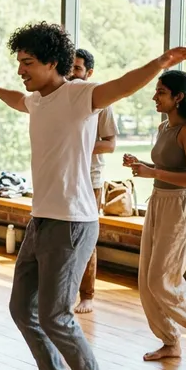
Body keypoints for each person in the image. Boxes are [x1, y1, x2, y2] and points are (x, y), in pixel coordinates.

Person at [0, 21, 186, 370]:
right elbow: (19, 99)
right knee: (22, 309)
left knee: (55, 314)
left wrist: (162, 61)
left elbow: (125, 84)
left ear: (53, 62)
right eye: (19, 62)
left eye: (28, 62)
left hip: (73, 224)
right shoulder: (38, 100)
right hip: (41, 220)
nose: (22, 69)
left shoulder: (80, 96)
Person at [123, 70, 186, 364]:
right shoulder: (165, 127)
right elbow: (166, 165)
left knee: (163, 280)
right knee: (146, 279)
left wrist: (152, 172)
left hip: (181, 208)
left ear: (179, 97)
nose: (155, 97)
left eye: (161, 92)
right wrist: (143, 165)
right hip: (158, 203)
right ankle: (170, 341)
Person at [69, 49, 118, 314]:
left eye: (77, 69)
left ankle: (87, 294)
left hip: (90, 178)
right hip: (63, 176)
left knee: (86, 238)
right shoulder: (61, 98)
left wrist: (81, 144)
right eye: (69, 68)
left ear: (89, 73)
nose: (72, 74)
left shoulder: (102, 102)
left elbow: (110, 145)